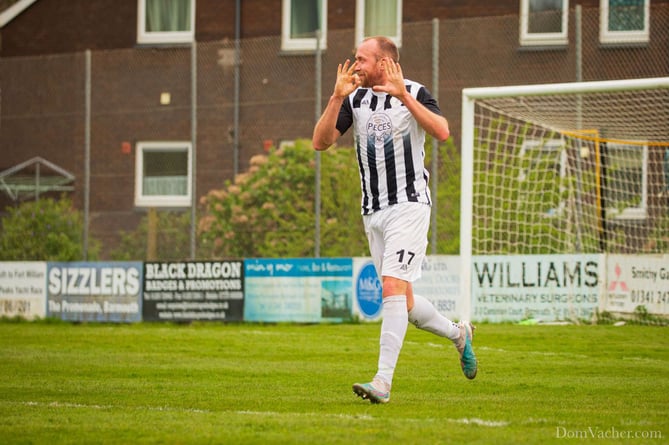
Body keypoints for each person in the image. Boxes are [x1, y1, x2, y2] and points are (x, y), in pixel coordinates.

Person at [312, 36, 477, 404]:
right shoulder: (354, 99)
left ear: (384, 62)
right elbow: (320, 142)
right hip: (373, 211)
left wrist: (404, 96)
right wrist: (336, 97)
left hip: (410, 205)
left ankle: (382, 382)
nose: (355, 65)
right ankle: (458, 334)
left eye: (361, 59)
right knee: (404, 303)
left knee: (391, 287)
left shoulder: (416, 91)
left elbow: (443, 131)